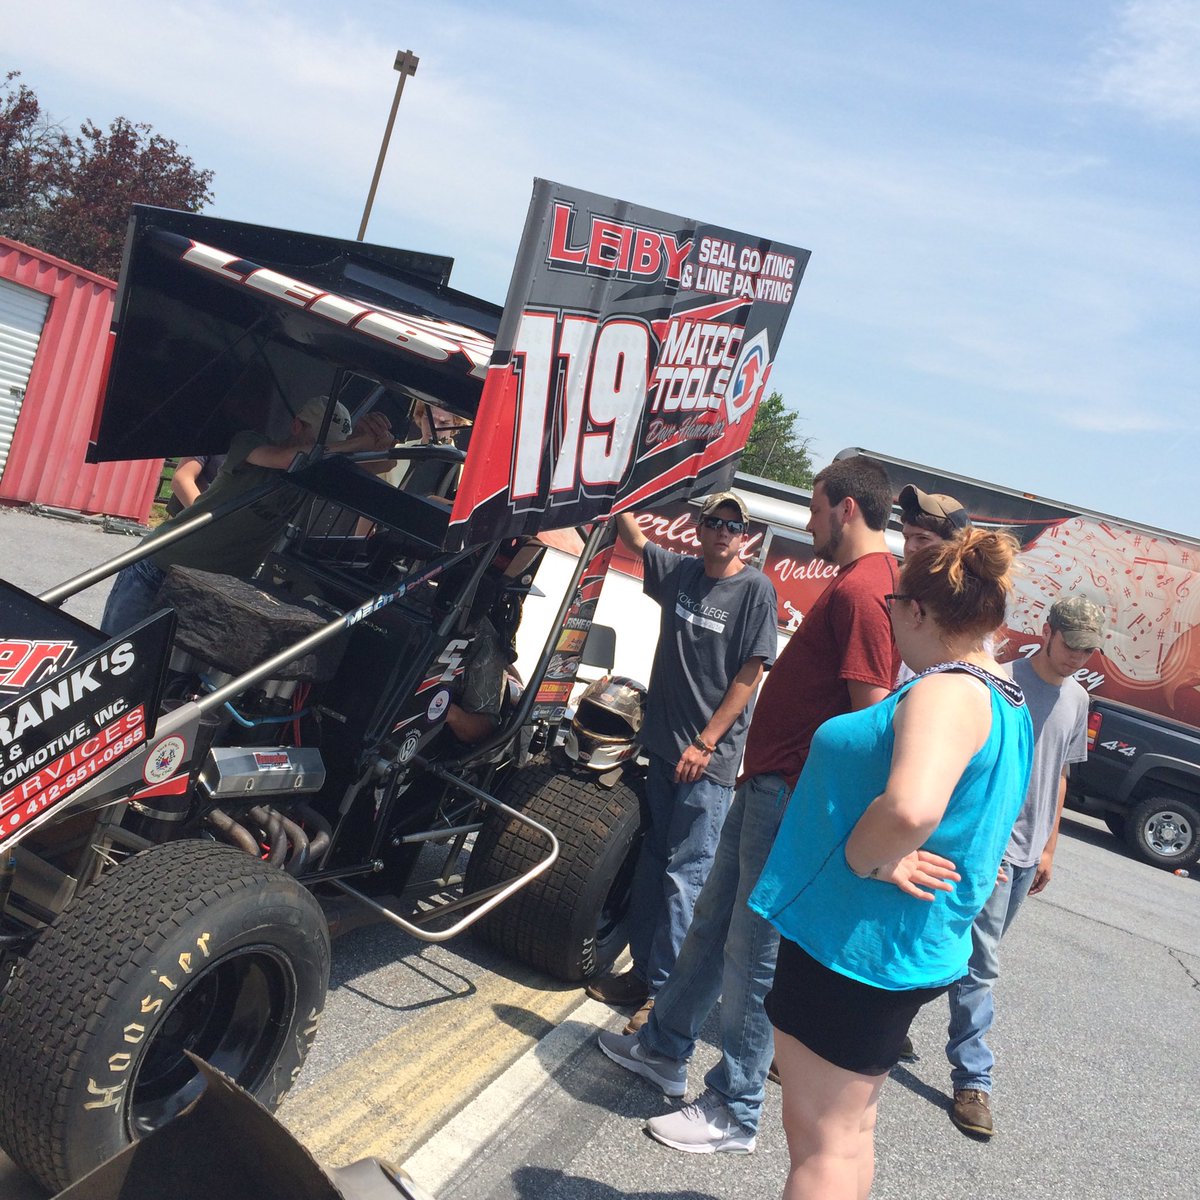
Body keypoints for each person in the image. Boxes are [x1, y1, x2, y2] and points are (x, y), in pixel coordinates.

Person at [597, 456, 900, 1155]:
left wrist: (835, 818)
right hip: (764, 783)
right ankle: (664, 1047)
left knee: (753, 949)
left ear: (846, 510)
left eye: (818, 508)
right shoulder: (854, 582)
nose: (812, 521)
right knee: (710, 925)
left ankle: (735, 1105)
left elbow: (871, 719)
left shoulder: (864, 592)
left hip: (791, 795)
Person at [750, 529, 1034, 1199]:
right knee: (846, 1136)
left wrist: (867, 858)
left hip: (856, 942)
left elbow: (911, 808)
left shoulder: (947, 693)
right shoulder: (1004, 696)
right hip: (895, 944)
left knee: (820, 1142)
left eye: (892, 606)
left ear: (918, 612)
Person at [585, 492, 778, 1034]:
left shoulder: (755, 590)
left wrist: (708, 742)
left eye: (733, 527)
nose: (722, 532)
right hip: (665, 751)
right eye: (714, 523)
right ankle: (643, 976)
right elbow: (635, 537)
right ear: (698, 528)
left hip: (706, 763)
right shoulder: (681, 574)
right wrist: (621, 484)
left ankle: (665, 996)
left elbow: (750, 673)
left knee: (684, 878)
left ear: (746, 537)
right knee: (652, 865)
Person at [944, 594, 1099, 1138]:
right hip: (990, 848)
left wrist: (1050, 847)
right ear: (1048, 630)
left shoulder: (1077, 700)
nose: (1078, 656)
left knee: (958, 953)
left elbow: (1060, 775)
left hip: (1030, 853)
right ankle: (973, 1079)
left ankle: (880, 1024)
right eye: (1072, 643)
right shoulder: (1001, 680)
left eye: (1088, 649)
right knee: (981, 964)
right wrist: (985, 845)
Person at [102, 396, 394, 633]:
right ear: (296, 426)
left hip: (211, 588)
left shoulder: (316, 475)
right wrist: (355, 443)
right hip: (160, 568)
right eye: (320, 442)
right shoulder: (250, 443)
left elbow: (376, 468)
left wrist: (382, 444)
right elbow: (291, 459)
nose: (326, 451)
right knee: (108, 661)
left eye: (331, 445)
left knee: (168, 679)